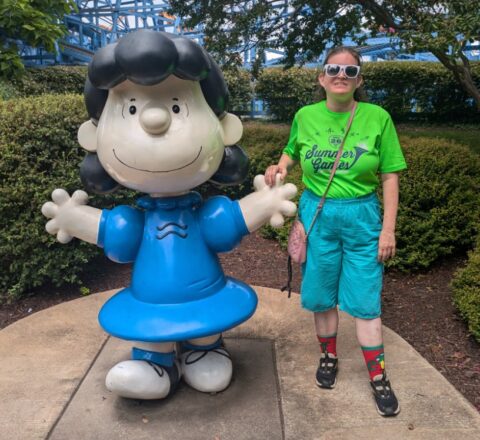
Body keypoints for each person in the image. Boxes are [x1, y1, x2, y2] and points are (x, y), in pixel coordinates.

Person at [42, 30, 297, 401]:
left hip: (205, 295)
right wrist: (73, 219)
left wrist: (264, 204)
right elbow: (118, 234)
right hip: (150, 302)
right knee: (150, 331)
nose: (156, 117)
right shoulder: (136, 220)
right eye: (131, 107)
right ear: (93, 137)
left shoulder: (203, 215)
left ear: (223, 128)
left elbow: (226, 223)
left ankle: (204, 350)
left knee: (205, 329)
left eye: (177, 105)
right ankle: (154, 363)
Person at [265, 46, 407, 417]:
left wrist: (387, 230)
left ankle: (378, 376)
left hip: (362, 216)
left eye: (350, 71)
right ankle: (329, 357)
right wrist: (278, 167)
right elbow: (291, 150)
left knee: (364, 301)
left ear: (359, 80)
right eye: (333, 69)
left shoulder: (378, 118)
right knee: (321, 293)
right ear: (321, 77)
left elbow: (390, 176)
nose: (340, 75)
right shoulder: (305, 116)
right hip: (318, 214)